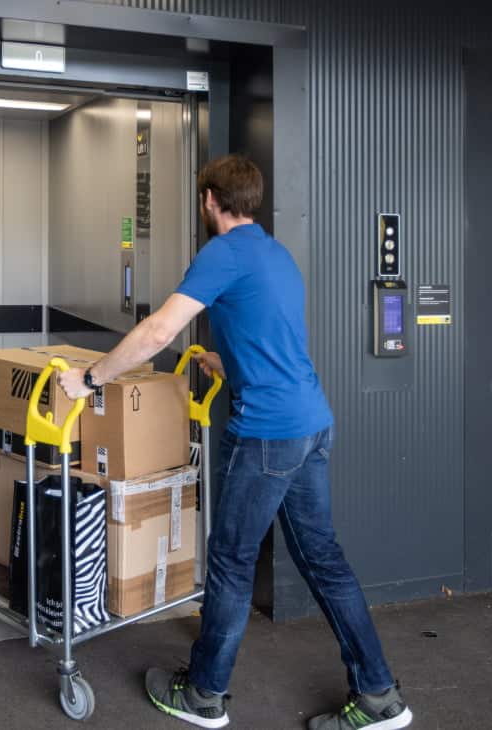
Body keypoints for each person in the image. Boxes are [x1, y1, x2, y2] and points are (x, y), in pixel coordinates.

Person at [58, 155, 412, 730]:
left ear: (209, 200)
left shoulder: (222, 253)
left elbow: (159, 330)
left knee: (230, 561)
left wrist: (91, 378)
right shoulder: (276, 254)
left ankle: (204, 694)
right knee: (323, 559)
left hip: (267, 436)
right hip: (311, 423)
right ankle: (379, 695)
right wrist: (230, 363)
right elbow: (275, 338)